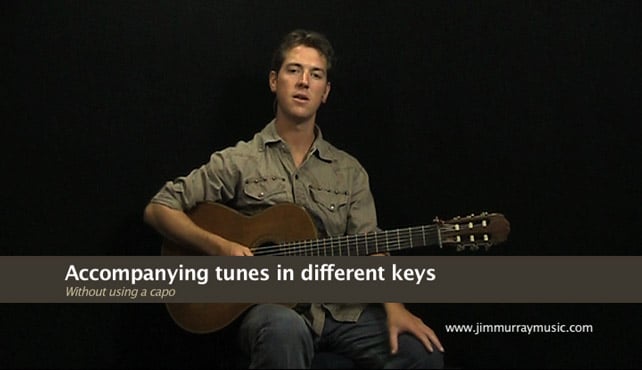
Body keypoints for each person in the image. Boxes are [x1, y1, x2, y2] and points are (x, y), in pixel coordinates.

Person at [144, 29, 444, 369]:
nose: (304, 81)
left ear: (325, 92)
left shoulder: (349, 171)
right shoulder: (240, 160)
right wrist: (220, 248)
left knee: (423, 354)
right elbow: (159, 209)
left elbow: (371, 244)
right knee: (283, 329)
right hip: (271, 312)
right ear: (274, 81)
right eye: (294, 70)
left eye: (316, 75)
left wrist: (396, 308)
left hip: (337, 311)